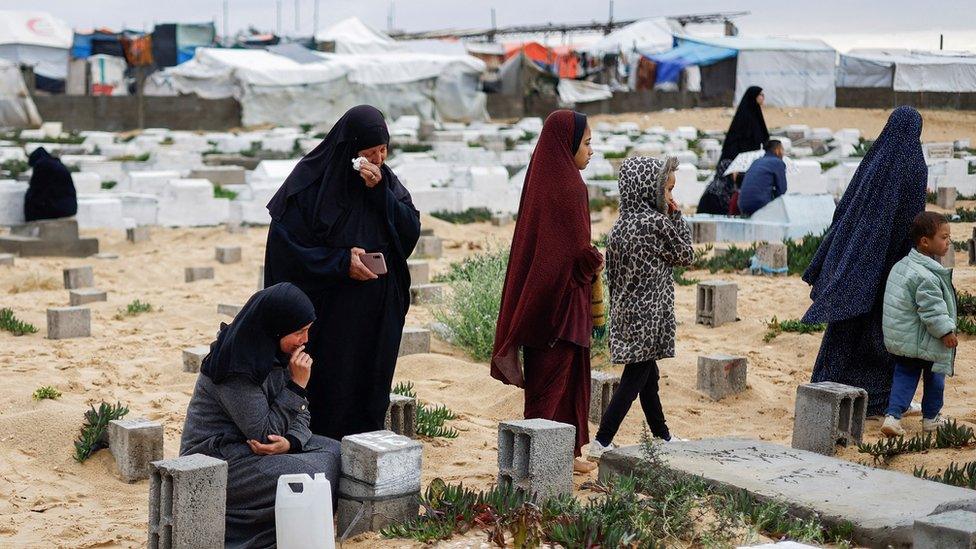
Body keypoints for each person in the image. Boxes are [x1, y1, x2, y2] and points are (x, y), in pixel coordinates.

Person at [264, 105, 421, 441]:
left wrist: (380, 196)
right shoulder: (311, 185)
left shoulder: (385, 183)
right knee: (331, 397)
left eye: (383, 151)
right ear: (350, 152)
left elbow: (410, 232)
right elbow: (285, 248)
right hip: (331, 319)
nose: (377, 160)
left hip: (377, 320)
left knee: (370, 394)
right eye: (368, 153)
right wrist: (339, 262)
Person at [180, 282, 340, 549]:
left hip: (254, 450)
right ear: (276, 327)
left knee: (339, 452)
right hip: (218, 460)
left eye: (308, 331)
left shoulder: (275, 351)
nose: (305, 340)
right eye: (299, 332)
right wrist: (297, 385)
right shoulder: (235, 367)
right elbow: (263, 434)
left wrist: (291, 443)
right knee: (313, 473)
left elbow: (301, 415)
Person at [492, 110, 602, 473]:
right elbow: (564, 256)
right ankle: (538, 462)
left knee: (563, 381)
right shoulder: (569, 188)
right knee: (552, 386)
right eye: (586, 143)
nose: (591, 150)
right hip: (560, 308)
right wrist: (591, 260)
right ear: (567, 144)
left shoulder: (543, 179)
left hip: (548, 303)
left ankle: (565, 456)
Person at [802, 106, 928, 416]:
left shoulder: (875, 159)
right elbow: (911, 221)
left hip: (858, 257)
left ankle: (828, 384)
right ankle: (878, 399)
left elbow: (847, 207)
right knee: (881, 332)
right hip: (891, 262)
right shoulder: (914, 164)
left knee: (847, 326)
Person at [587, 156, 694, 460]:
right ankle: (602, 440)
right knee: (635, 377)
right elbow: (686, 254)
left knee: (649, 377)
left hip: (626, 312)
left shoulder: (620, 225)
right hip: (650, 316)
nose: (671, 198)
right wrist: (676, 216)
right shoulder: (656, 223)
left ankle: (662, 435)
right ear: (649, 189)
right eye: (668, 191)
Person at [880, 212, 956, 437]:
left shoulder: (903, 265)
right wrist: (946, 333)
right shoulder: (927, 277)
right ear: (925, 241)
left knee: (904, 376)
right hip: (926, 340)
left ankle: (893, 417)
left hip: (903, 339)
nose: (948, 241)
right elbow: (932, 311)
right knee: (935, 379)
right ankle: (931, 419)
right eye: (943, 237)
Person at [697, 86, 769, 215]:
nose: (762, 97)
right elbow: (738, 140)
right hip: (737, 160)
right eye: (760, 95)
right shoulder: (745, 117)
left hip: (748, 160)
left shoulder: (756, 115)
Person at [24, 147, 77, 221]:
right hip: (69, 208)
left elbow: (36, 188)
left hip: (59, 208)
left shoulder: (42, 164)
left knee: (30, 197)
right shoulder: (55, 163)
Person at [737, 140, 788, 216]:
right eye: (782, 149)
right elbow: (782, 190)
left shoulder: (756, 161)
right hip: (760, 204)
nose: (783, 153)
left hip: (742, 204)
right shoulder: (777, 162)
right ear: (777, 150)